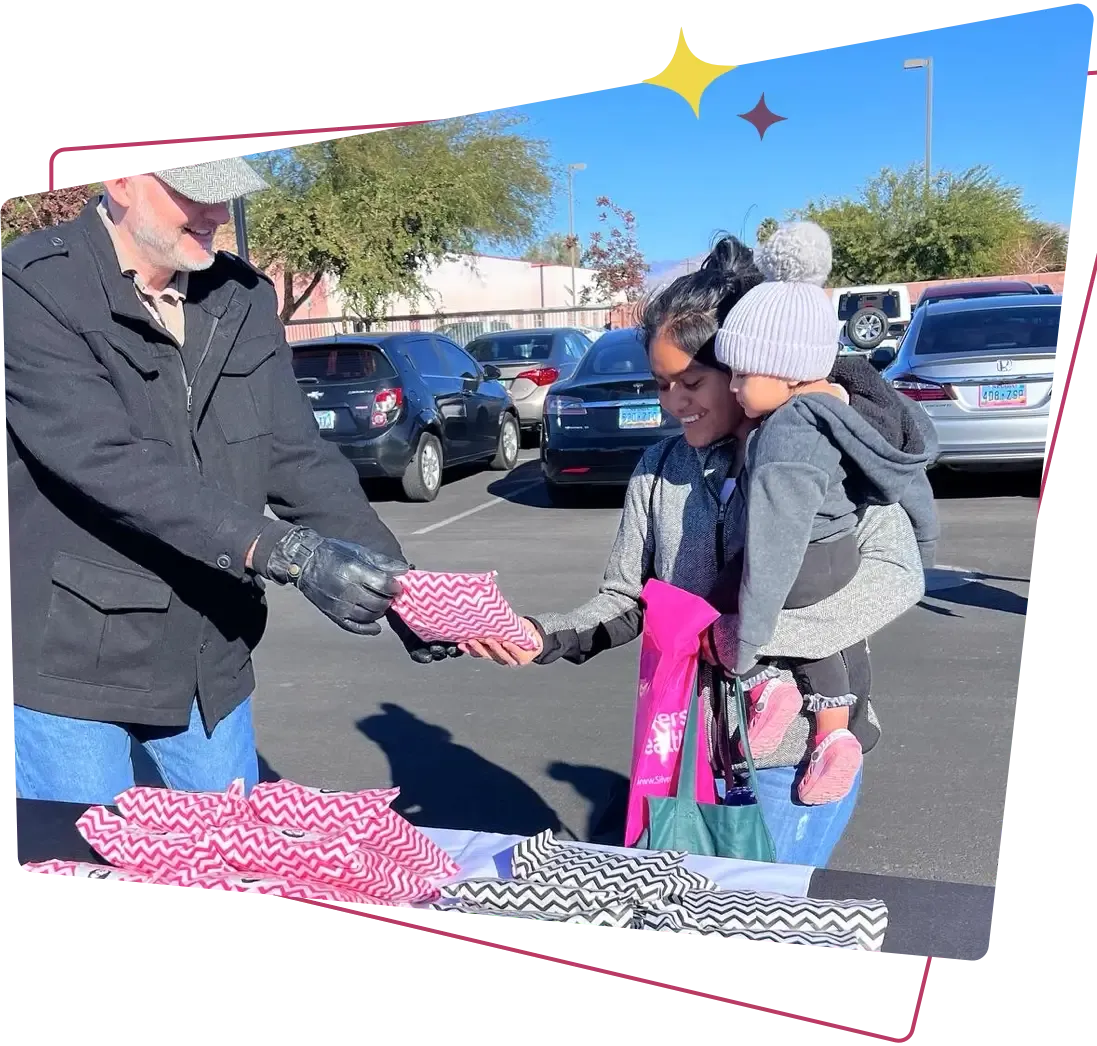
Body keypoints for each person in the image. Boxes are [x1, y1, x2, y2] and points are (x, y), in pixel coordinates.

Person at [461, 234, 928, 868]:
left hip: (793, 759)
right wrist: (541, 635)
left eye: (693, 381)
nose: (675, 401)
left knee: (757, 935)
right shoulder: (658, 471)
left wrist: (750, 637)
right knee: (684, 929)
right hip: (688, 754)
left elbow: (898, 574)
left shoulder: (828, 458)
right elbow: (628, 599)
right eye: (662, 384)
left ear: (747, 366)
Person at [3, 158, 457, 806]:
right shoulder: (36, 286)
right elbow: (109, 463)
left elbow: (297, 454)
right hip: (80, 658)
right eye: (194, 195)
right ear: (120, 181)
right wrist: (289, 553)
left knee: (234, 875)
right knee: (91, 878)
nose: (216, 214)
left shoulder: (241, 297)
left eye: (225, 198)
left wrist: (396, 581)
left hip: (208, 656)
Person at [711, 221, 938, 807]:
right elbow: (904, 482)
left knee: (742, 596)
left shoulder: (785, 435)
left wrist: (750, 642)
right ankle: (834, 740)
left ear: (785, 370)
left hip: (808, 558)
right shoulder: (840, 411)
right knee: (827, 640)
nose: (733, 388)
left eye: (741, 373)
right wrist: (925, 542)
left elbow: (776, 538)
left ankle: (768, 690)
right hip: (843, 552)